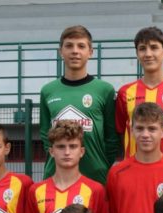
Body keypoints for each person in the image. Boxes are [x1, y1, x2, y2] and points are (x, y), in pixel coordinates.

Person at [39, 25, 119, 184]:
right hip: (57, 176)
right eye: (69, 46)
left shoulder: (105, 90)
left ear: (90, 52)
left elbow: (111, 138)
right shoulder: (48, 91)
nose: (75, 51)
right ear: (60, 51)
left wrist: (100, 165)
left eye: (81, 46)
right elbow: (45, 134)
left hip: (95, 176)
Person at [115, 26, 163, 165]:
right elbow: (123, 135)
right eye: (142, 49)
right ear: (137, 53)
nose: (148, 53)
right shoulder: (125, 92)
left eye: (154, 47)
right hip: (134, 173)